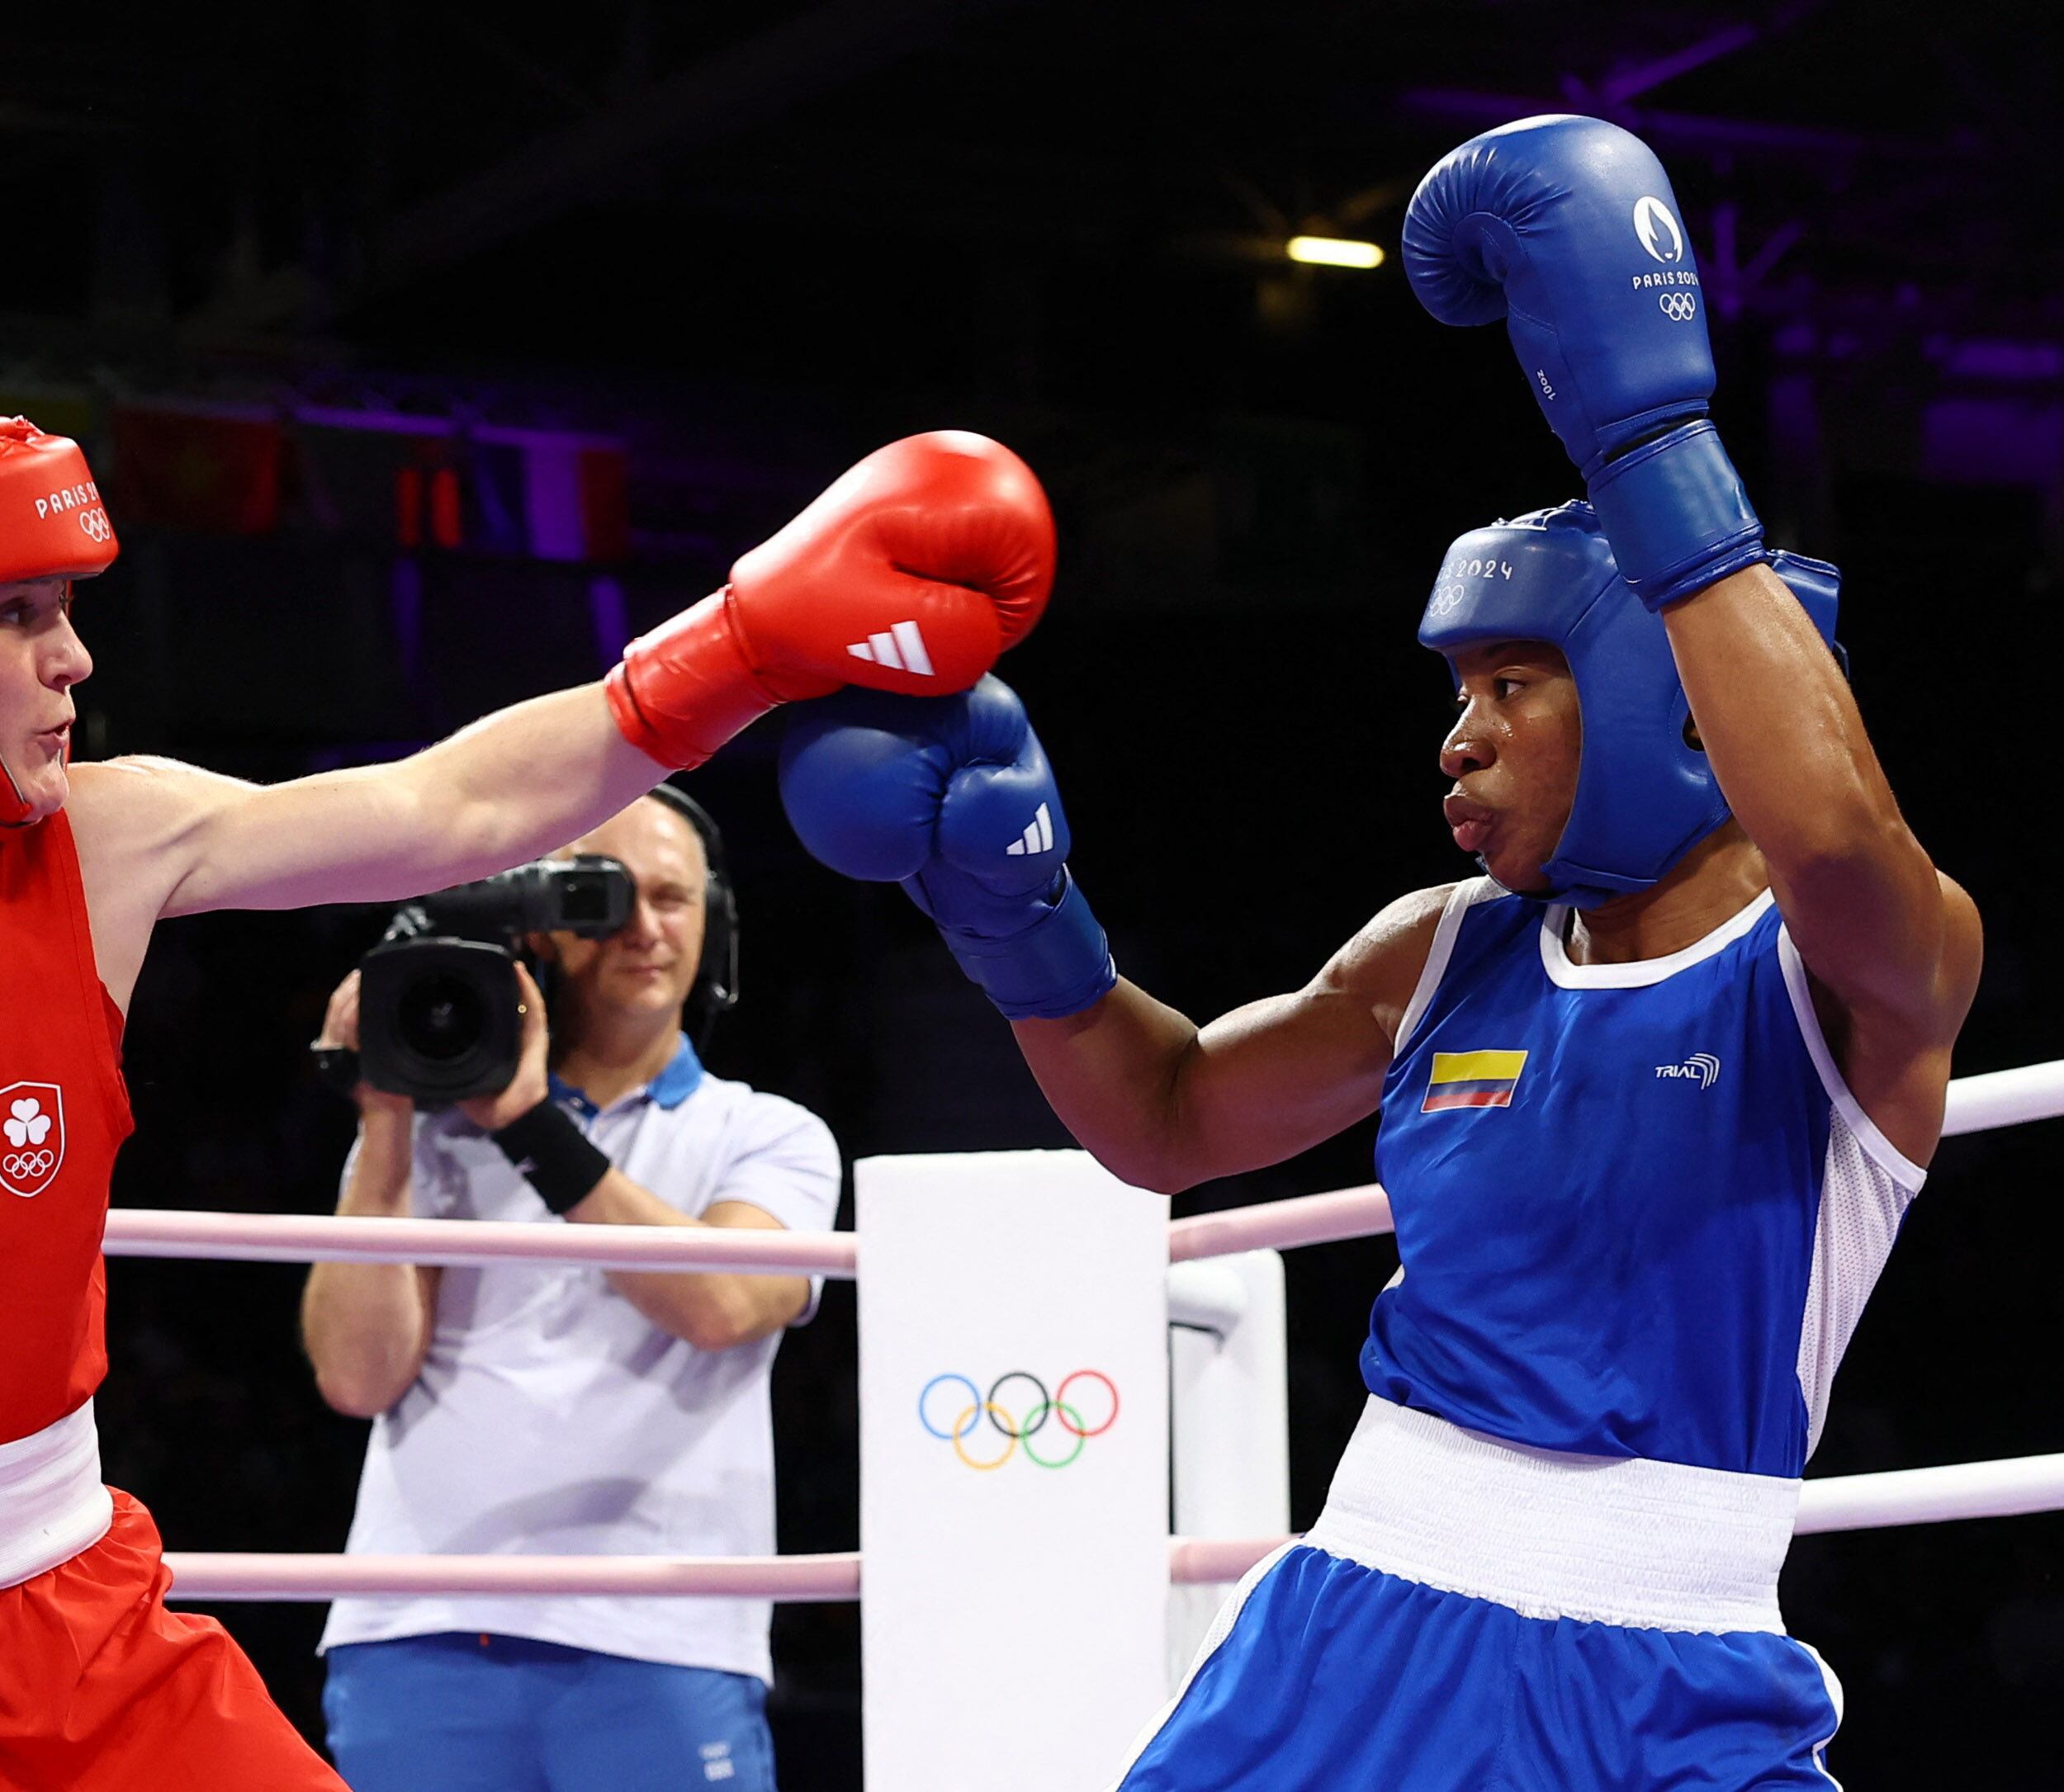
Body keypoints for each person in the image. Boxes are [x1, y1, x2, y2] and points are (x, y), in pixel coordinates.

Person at [0, 409, 1053, 1790]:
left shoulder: (104, 844)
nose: (76, 657)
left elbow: (450, 800)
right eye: (24, 612)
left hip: (58, 1614)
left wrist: (744, 645)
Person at [779, 116, 1981, 1790]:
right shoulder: (1442, 948)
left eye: (1512, 685)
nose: (1456, 743)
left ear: (1667, 701)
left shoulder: (1849, 965)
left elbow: (1839, 836)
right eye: (1454, 694)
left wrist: (1651, 442)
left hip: (1681, 1667)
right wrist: (1011, 915)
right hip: (1369, 1620)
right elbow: (1169, 1118)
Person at [300, 786, 835, 1792]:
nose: (642, 926)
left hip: (660, 1630)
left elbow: (721, 1305)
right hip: (418, 1623)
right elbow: (356, 1375)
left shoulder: (768, 1135)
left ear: (711, 921)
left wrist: (530, 1123)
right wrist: (383, 1113)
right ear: (542, 925)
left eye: (671, 897)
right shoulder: (427, 1136)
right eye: (604, 895)